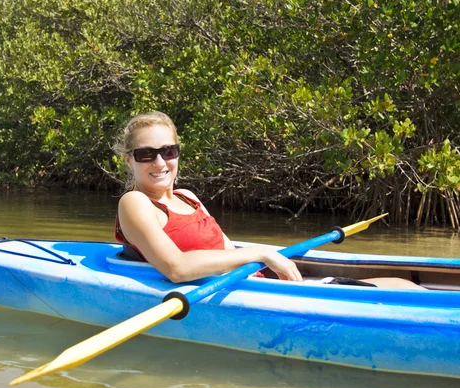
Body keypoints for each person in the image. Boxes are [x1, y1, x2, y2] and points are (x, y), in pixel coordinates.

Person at [113, 111, 424, 290]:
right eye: (146, 154)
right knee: (401, 290)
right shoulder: (135, 202)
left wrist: (262, 260)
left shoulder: (188, 197)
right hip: (243, 291)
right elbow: (177, 268)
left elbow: (226, 251)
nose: (159, 162)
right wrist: (261, 253)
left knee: (402, 284)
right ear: (129, 160)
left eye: (168, 151)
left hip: (256, 282)